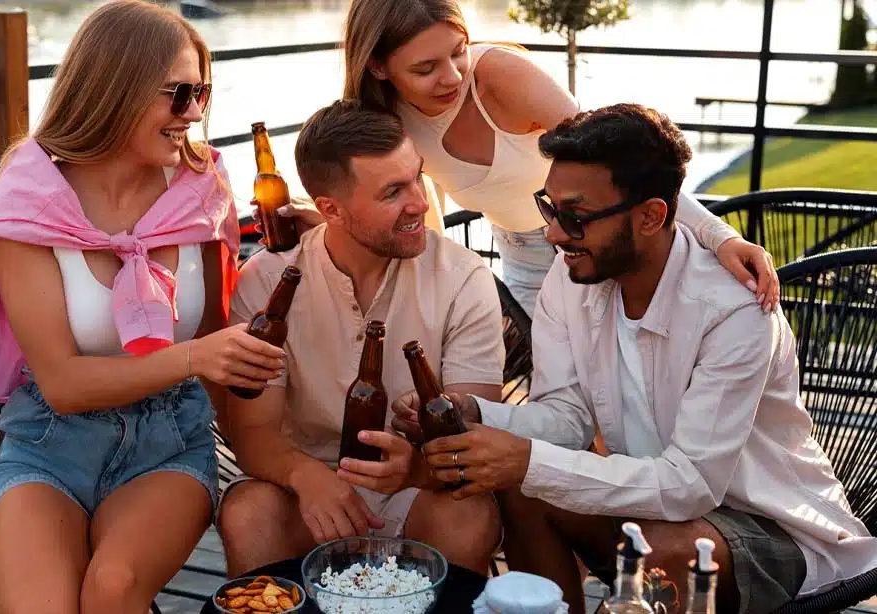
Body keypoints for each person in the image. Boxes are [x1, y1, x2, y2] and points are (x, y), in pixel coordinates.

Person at [397, 103, 877, 614]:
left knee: (658, 551)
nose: (556, 235)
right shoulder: (572, 274)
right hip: (649, 505)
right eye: (549, 208)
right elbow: (567, 417)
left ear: (652, 216)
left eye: (576, 218)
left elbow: (691, 484)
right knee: (524, 489)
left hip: (769, 525)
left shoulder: (735, 311)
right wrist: (479, 415)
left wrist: (529, 458)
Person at [0, 2, 285, 613]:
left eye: (203, 92)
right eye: (178, 94)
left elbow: (223, 352)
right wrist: (193, 357)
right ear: (115, 89)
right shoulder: (30, 199)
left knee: (112, 588)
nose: (195, 112)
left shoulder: (202, 185)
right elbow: (62, 385)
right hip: (50, 442)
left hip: (168, 441)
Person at [270, 0, 780, 318]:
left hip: (603, 237)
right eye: (425, 67)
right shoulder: (386, 122)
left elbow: (622, 162)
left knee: (630, 396)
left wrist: (720, 236)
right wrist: (326, 221)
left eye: (458, 52)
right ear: (378, 66)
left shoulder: (501, 77)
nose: (450, 77)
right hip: (524, 256)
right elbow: (413, 216)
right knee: (563, 398)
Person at [217, 99, 504, 578]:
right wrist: (305, 476)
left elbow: (473, 434)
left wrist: (413, 468)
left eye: (417, 177)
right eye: (393, 192)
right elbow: (253, 433)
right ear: (330, 208)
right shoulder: (268, 281)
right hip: (306, 483)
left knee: (468, 516)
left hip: (419, 486)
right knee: (248, 513)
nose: (419, 203)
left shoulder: (462, 276)